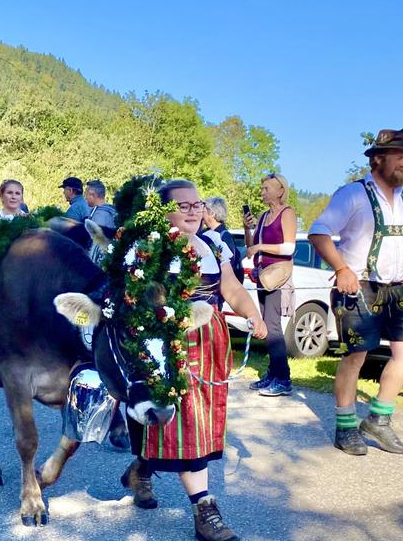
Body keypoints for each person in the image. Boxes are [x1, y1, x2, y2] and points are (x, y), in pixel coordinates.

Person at [121, 179, 266, 541]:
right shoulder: (150, 249)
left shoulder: (213, 246)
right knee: (179, 419)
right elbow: (135, 301)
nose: (193, 211)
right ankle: (204, 509)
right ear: (164, 211)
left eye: (197, 204)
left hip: (210, 339)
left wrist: (254, 314)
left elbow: (230, 288)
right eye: (183, 205)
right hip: (167, 341)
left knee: (197, 422)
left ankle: (141, 468)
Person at [309, 129, 403, 456]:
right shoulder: (353, 195)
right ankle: (345, 428)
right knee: (356, 356)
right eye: (398, 156)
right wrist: (342, 269)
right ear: (377, 159)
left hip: (396, 289)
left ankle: (378, 421)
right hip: (360, 287)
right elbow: (319, 232)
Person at [243, 175, 296, 397]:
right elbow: (251, 247)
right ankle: (273, 374)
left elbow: (289, 248)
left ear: (280, 190)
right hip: (262, 276)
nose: (262, 192)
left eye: (266, 188)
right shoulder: (264, 216)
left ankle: (283, 379)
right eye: (262, 188)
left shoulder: (288, 213)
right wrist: (247, 229)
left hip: (277, 277)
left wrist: (261, 246)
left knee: (273, 327)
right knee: (265, 327)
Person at [202, 197, 243, 283]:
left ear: (212, 213)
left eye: (204, 210)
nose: (201, 213)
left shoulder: (224, 236)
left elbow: (227, 265)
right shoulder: (205, 233)